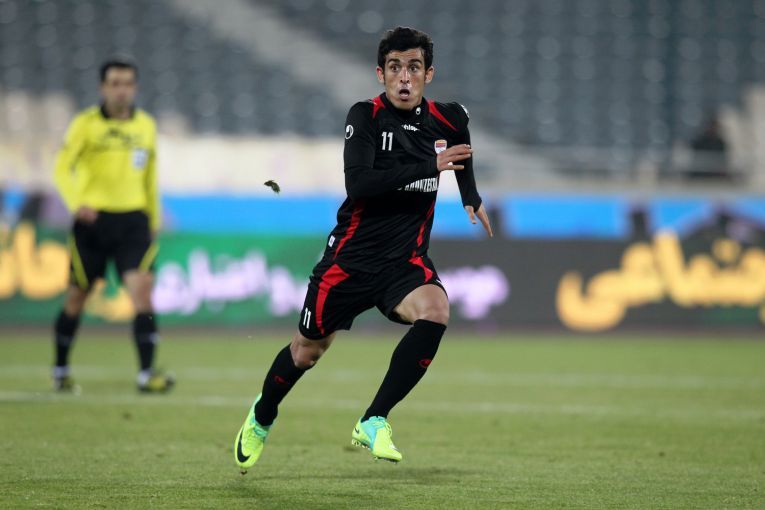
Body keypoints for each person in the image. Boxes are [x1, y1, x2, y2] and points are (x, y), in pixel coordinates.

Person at [234, 26, 492, 471]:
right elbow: (360, 184)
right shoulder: (365, 117)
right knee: (306, 352)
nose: (404, 77)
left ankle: (374, 418)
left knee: (436, 311)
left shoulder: (446, 117)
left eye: (414, 67)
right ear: (380, 73)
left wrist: (470, 194)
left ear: (429, 74)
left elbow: (461, 138)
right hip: (349, 262)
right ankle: (263, 414)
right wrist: (429, 164)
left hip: (404, 262)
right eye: (395, 67)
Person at [51, 58, 174, 393]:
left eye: (128, 83)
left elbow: (150, 175)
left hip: (133, 221)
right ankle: (60, 370)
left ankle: (146, 374)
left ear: (135, 87)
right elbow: (62, 167)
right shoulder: (85, 124)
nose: (122, 90)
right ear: (103, 87)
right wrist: (77, 203)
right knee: (76, 297)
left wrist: (154, 217)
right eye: (115, 83)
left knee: (142, 293)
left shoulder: (145, 125)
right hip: (93, 221)